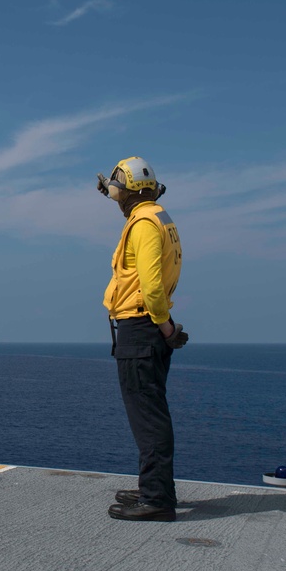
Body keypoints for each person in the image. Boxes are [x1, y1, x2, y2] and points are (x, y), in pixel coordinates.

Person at [97, 156, 188, 522]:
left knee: (147, 418)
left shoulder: (144, 225)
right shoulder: (158, 217)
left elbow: (151, 288)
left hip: (142, 327)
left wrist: (165, 327)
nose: (114, 198)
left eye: (117, 190)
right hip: (147, 328)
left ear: (129, 192)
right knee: (150, 412)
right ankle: (154, 487)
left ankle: (157, 500)